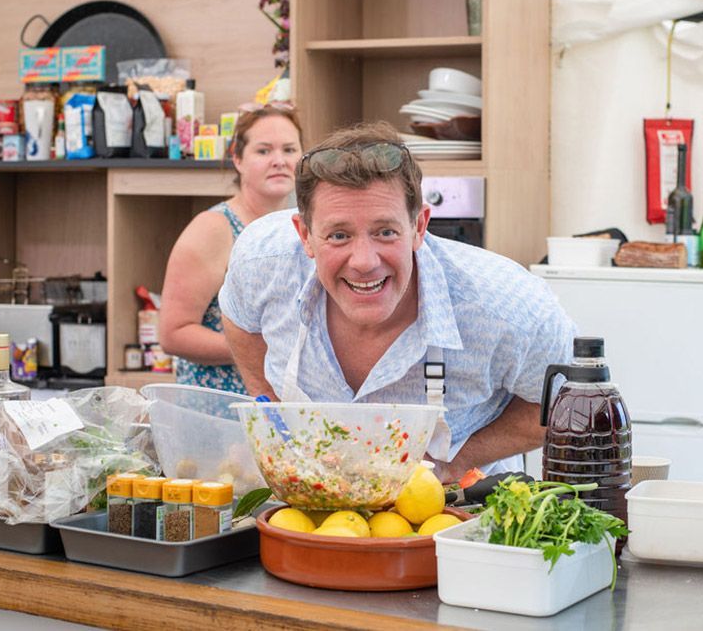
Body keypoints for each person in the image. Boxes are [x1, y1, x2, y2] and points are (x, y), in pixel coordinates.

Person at [218, 121, 575, 482]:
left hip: (456, 512)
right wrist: (271, 412)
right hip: (303, 502)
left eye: (385, 232)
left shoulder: (510, 308)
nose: (364, 261)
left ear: (419, 226)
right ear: (305, 235)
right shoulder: (261, 262)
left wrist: (459, 460)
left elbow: (567, 405)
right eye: (339, 235)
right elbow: (238, 318)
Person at [159, 102, 303, 393]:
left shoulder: (305, 226)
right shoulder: (213, 228)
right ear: (237, 159)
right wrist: (262, 349)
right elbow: (174, 334)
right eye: (263, 151)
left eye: (289, 150)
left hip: (284, 401)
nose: (279, 161)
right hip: (221, 409)